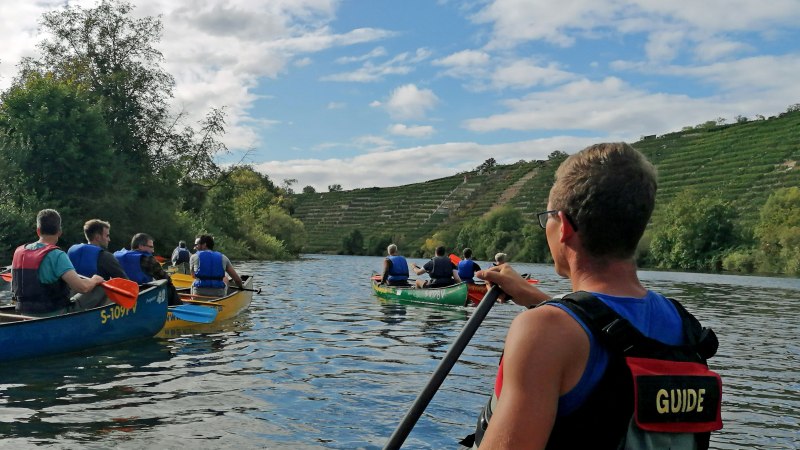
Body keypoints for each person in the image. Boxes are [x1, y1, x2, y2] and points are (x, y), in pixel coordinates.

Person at [466, 143, 722, 449]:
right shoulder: (685, 327)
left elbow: (590, 341)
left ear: (563, 227)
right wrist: (540, 301)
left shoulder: (543, 332)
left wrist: (545, 315)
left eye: (547, 217)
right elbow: (611, 339)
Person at [10, 209, 105, 316]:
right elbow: (83, 287)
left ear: (38, 231)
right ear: (59, 231)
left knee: (69, 289)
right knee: (101, 288)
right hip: (54, 313)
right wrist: (95, 280)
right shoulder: (57, 255)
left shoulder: (18, 252)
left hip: (25, 313)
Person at [114, 233, 182, 305]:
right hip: (141, 296)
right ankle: (176, 312)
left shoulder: (116, 255)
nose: (153, 251)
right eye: (151, 247)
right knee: (169, 287)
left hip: (120, 295)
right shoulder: (147, 259)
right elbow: (166, 278)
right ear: (141, 246)